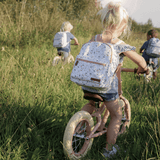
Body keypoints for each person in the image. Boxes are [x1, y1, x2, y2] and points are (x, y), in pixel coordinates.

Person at [80, 2, 148, 158]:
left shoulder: (94, 38)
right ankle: (109, 149)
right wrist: (144, 69)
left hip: (88, 83)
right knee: (117, 115)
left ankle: (79, 125)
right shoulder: (118, 44)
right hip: (106, 88)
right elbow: (141, 61)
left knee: (91, 104)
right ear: (122, 26)